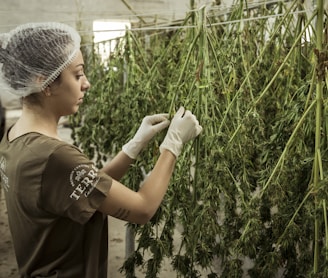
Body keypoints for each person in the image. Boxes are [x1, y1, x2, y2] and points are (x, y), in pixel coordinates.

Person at [0, 22, 202, 278]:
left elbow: (87, 190)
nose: (87, 84)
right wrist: (172, 144)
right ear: (45, 84)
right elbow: (142, 208)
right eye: (78, 74)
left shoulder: (15, 137)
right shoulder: (54, 157)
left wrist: (132, 147)